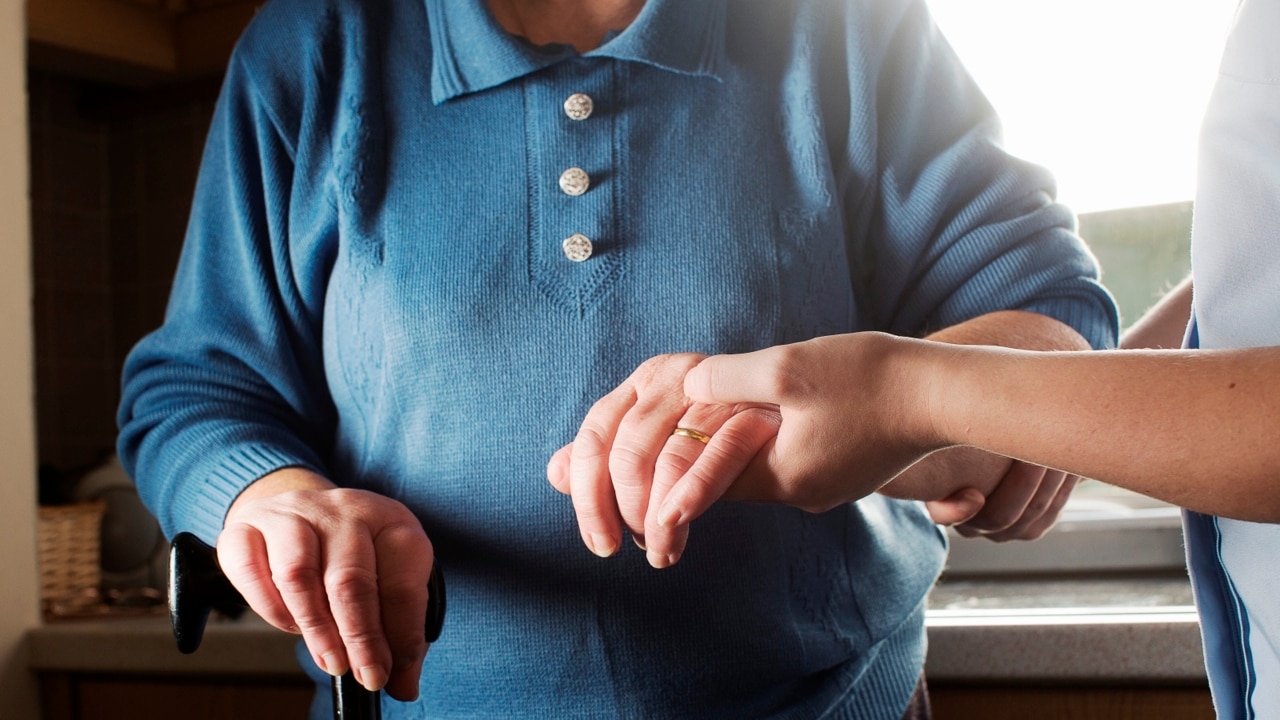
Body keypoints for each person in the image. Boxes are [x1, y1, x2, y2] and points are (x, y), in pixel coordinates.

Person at [117, 0, 1118, 717]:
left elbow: (1046, 316)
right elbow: (196, 386)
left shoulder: (848, 29)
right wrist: (272, 496)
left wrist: (977, 423)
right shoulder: (311, 43)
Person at [564, 0, 1277, 715]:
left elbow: (1048, 324)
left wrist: (907, 399)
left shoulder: (844, 29)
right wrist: (1016, 415)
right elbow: (1227, 305)